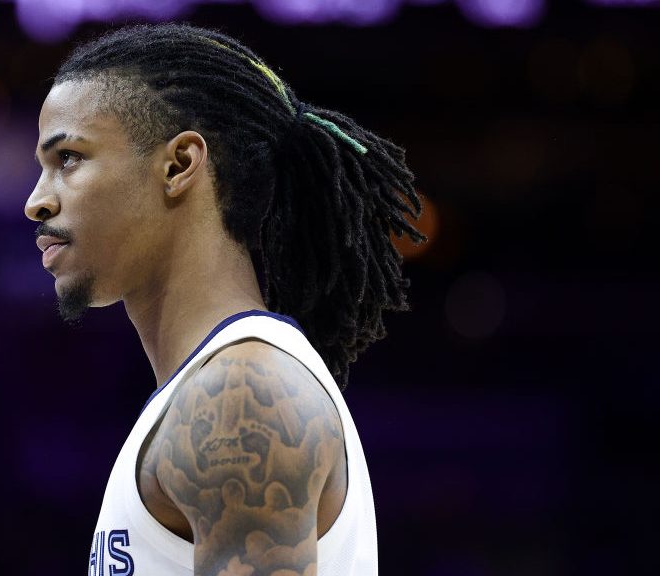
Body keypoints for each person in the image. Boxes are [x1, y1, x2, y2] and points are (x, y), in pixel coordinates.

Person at [25, 23, 423, 576]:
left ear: (179, 164)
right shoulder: (210, 389)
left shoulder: (238, 398)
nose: (36, 202)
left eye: (68, 158)